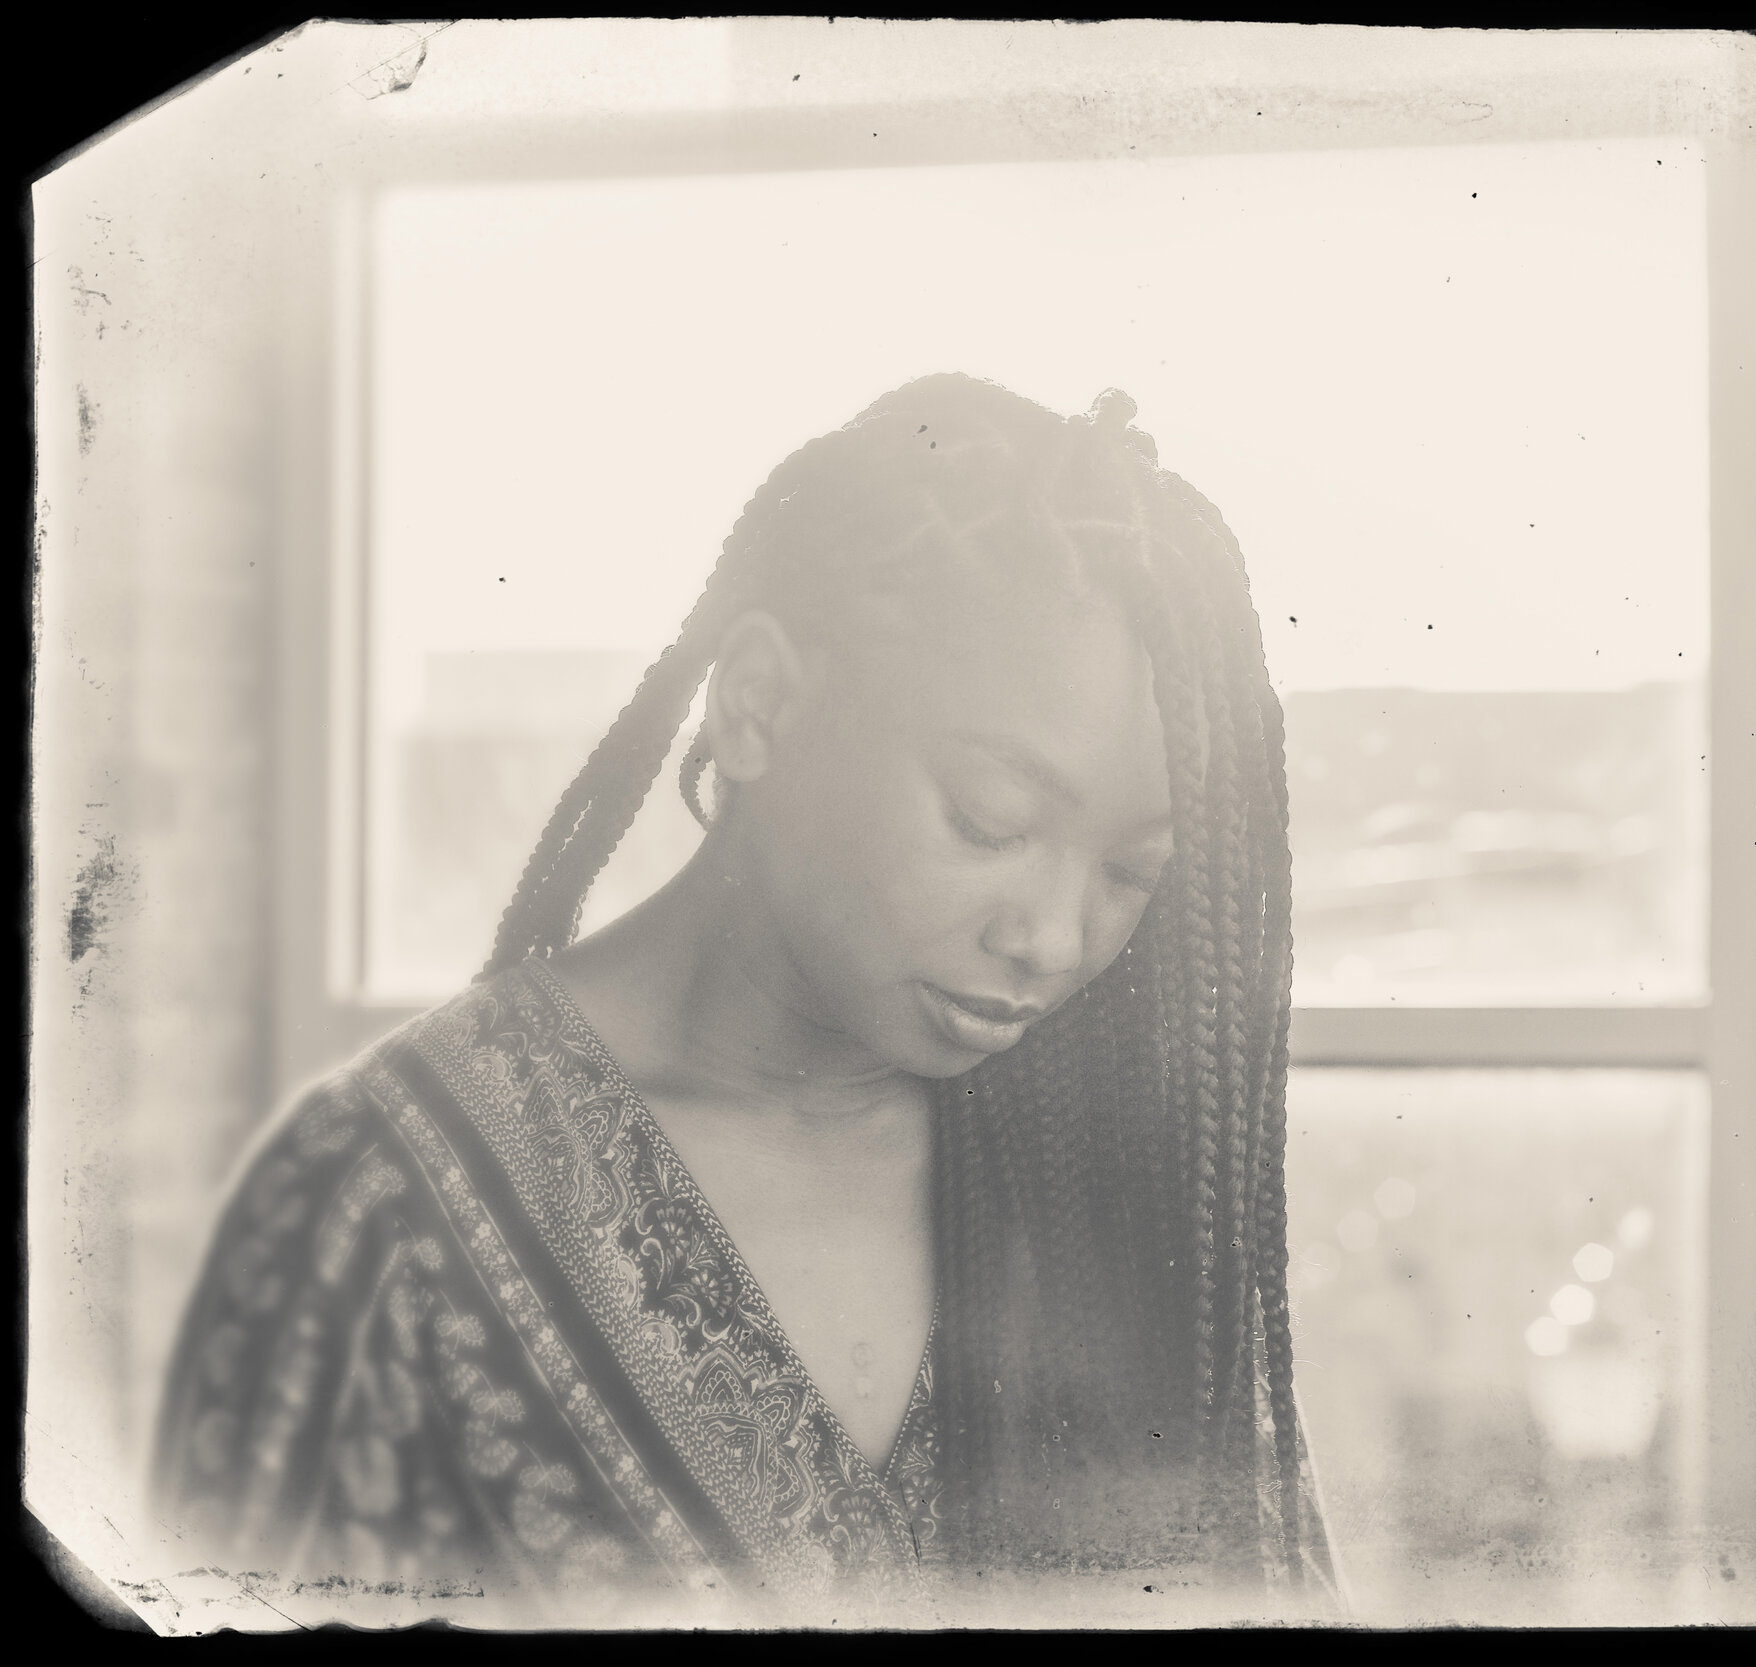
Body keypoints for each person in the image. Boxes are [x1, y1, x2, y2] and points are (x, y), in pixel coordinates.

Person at [150, 374, 1336, 1623]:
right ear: (759, 700)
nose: (1051, 937)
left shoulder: (1116, 1187)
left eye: (1131, 872)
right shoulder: (380, 1204)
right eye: (990, 822)